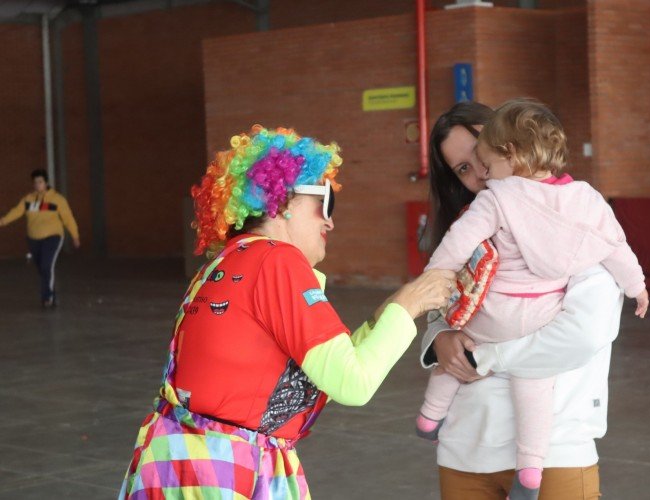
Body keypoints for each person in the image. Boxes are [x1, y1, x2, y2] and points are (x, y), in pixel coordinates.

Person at [118, 125, 454, 499]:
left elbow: (323, 366)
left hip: (183, 461)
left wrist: (387, 314)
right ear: (281, 203)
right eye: (324, 203)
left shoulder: (226, 263)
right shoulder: (277, 260)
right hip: (226, 469)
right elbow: (352, 382)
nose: (330, 221)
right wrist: (410, 306)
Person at [417, 98, 648, 499]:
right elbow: (441, 306)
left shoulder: (576, 222)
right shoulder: (471, 235)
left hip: (556, 449)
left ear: (512, 143)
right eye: (463, 170)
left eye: (480, 154)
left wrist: (485, 357)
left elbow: (581, 336)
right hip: (464, 450)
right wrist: (440, 338)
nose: (480, 173)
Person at [0, 169, 80, 307]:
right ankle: (51, 294)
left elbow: (68, 218)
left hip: (53, 237)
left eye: (40, 182)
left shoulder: (57, 199)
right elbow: (16, 212)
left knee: (46, 265)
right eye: (35, 182)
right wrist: (2, 221)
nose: (37, 185)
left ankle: (46, 298)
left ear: (46, 182)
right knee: (42, 269)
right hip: (33, 238)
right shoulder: (28, 200)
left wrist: (75, 235)